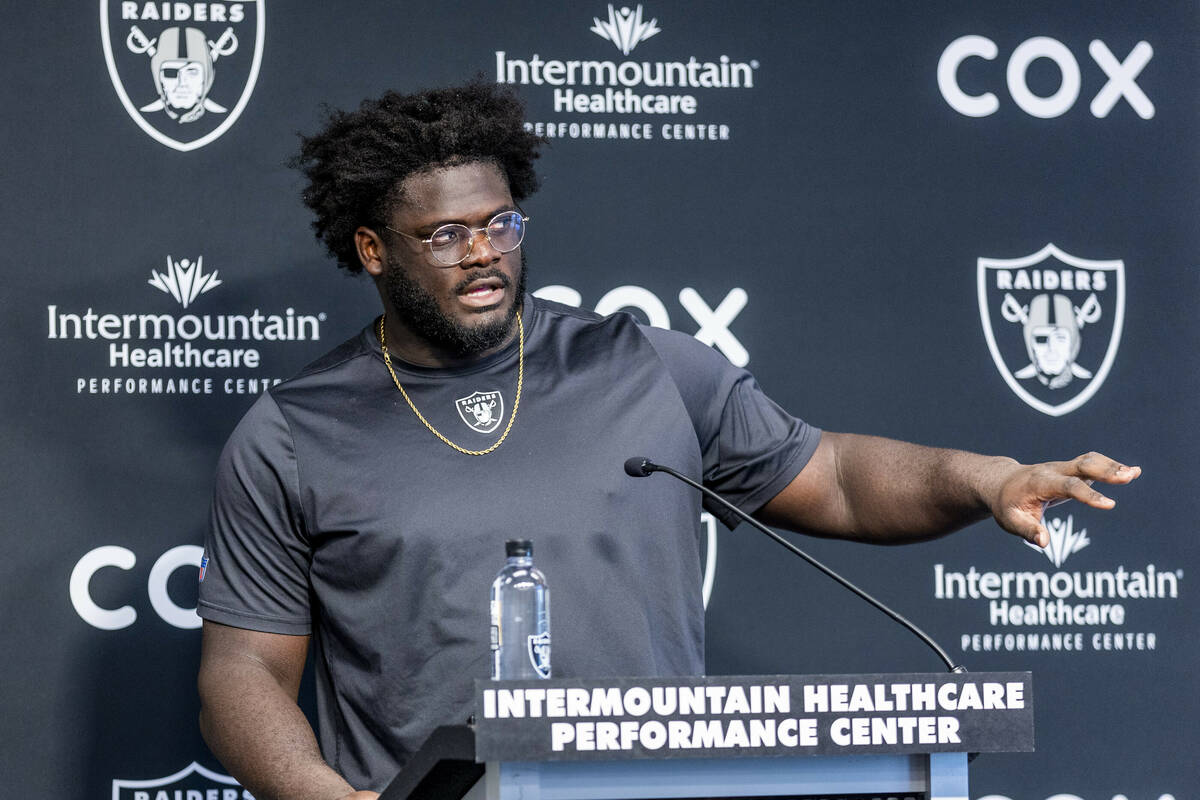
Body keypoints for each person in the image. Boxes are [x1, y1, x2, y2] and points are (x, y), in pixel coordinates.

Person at [196, 81, 1139, 800]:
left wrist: (988, 478)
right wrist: (324, 797)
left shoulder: (644, 366)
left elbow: (840, 480)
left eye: (500, 224)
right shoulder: (293, 433)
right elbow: (245, 668)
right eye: (445, 236)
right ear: (372, 251)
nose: (484, 253)